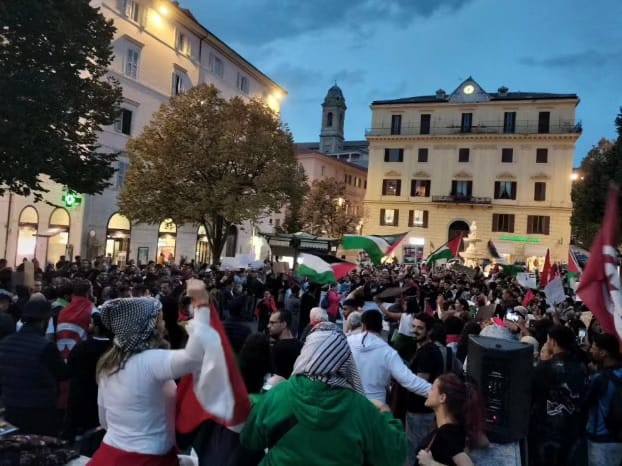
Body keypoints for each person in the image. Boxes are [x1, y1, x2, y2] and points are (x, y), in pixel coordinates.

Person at [239, 322, 407, 466]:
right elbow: (393, 455)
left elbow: (250, 440)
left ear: (306, 354)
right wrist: (385, 413)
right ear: (344, 360)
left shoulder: (279, 394)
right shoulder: (361, 408)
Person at [89, 280, 215, 465]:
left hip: (110, 453)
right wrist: (202, 309)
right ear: (149, 326)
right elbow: (194, 358)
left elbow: (105, 420)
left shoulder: (109, 363)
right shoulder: (150, 361)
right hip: (146, 458)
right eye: (160, 319)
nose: (163, 323)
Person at [0, 296, 68, 435]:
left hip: (12, 407)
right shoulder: (46, 346)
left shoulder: (5, 343)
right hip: (40, 410)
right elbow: (63, 374)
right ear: (44, 320)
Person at [530, 325, 588, 466]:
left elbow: (530, 396)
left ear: (553, 342)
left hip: (546, 432)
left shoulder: (544, 368)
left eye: (548, 340)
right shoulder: (581, 367)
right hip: (573, 431)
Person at [348, 309, 431, 403]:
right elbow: (409, 381)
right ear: (381, 328)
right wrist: (435, 392)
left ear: (363, 326)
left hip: (351, 402)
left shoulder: (347, 342)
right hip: (376, 405)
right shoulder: (388, 352)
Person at [416, 374, 485, 466]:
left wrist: (431, 463)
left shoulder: (447, 434)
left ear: (442, 398)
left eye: (432, 389)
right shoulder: (454, 429)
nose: (428, 392)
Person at [403, 312, 445, 465]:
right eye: (413, 326)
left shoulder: (428, 353)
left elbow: (419, 383)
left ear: (429, 331)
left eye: (420, 328)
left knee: (415, 452)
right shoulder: (425, 349)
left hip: (420, 413)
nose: (414, 330)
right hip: (419, 412)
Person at [66, 312, 113, 436]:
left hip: (82, 396)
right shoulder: (114, 349)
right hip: (106, 398)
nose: (89, 325)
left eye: (91, 323)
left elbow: (69, 366)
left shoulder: (82, 347)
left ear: (97, 328)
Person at [584, 333, 622, 466]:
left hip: (601, 440)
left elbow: (585, 403)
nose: (591, 350)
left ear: (603, 353)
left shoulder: (599, 379)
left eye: (594, 348)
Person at [57, 278, 95, 361]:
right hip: (79, 352)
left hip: (61, 352)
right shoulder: (89, 307)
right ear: (88, 292)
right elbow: (92, 327)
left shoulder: (63, 310)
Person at [267, 310, 302, 388]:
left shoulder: (278, 348)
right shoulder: (300, 345)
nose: (268, 326)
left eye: (272, 323)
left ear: (284, 324)